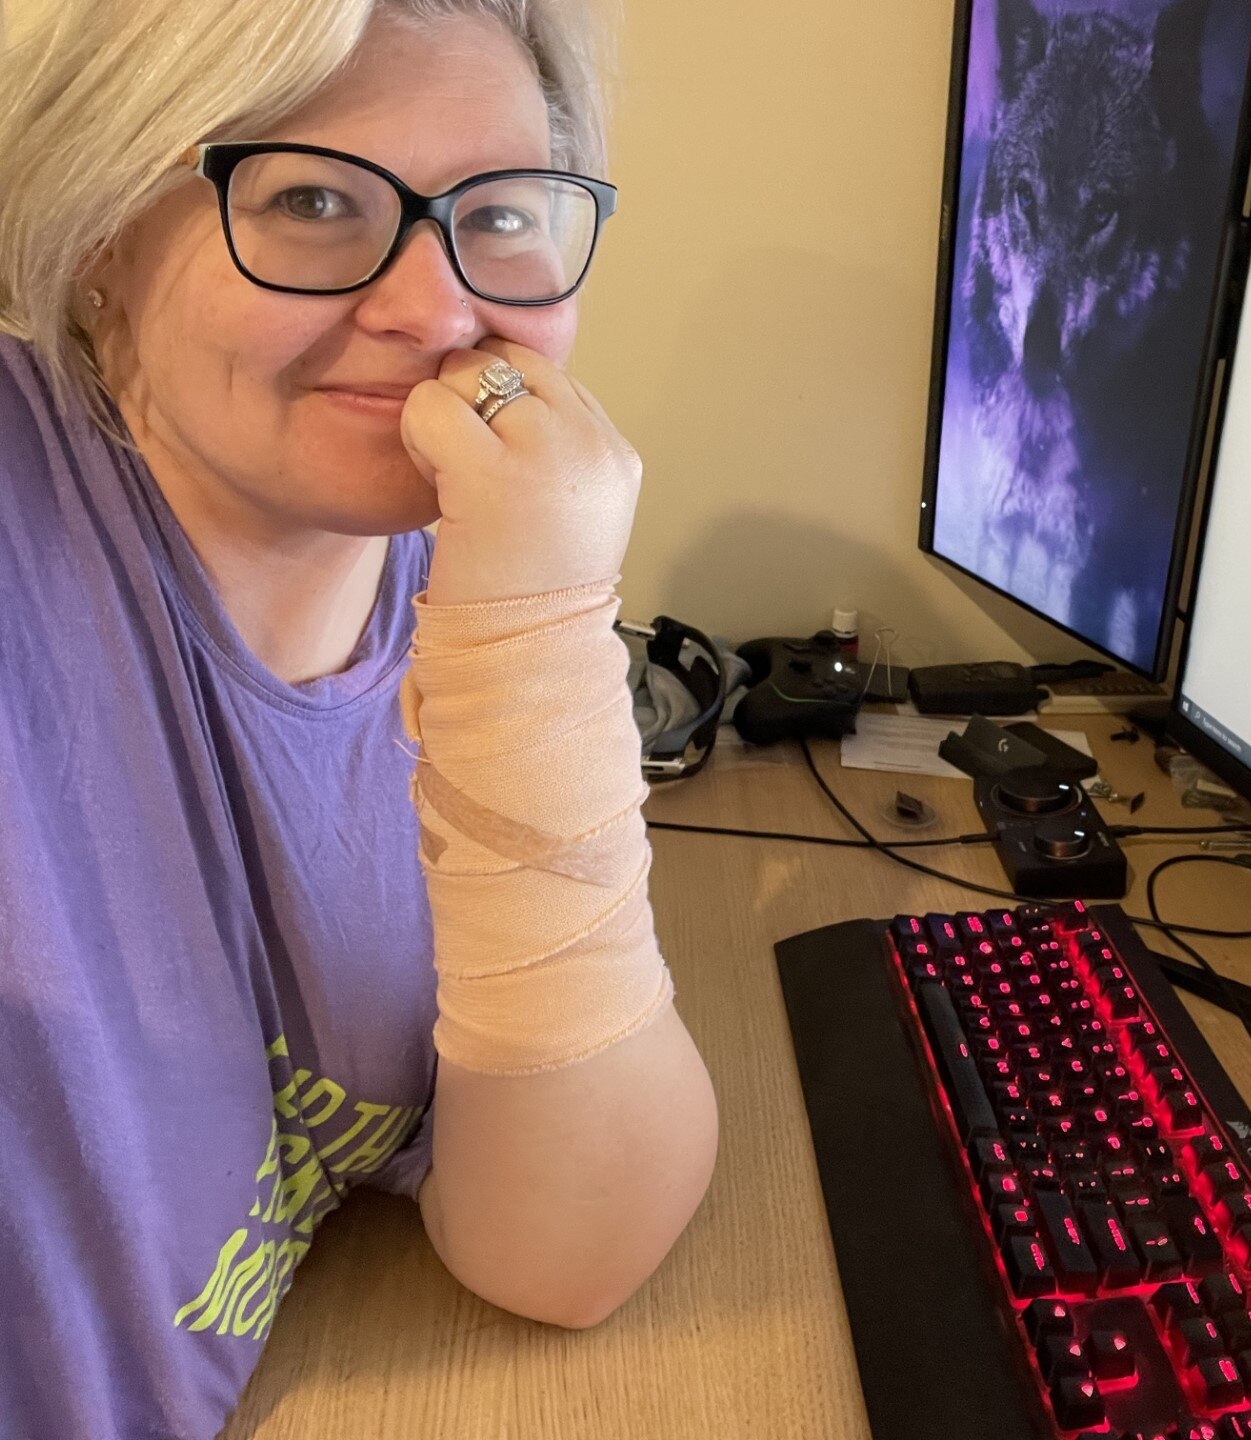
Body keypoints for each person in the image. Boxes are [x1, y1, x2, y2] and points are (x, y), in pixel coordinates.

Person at [0, 4, 719, 1437]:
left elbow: (560, 1256)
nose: (438, 312)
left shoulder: (474, 581)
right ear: (98, 243)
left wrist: (545, 635)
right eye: (313, 200)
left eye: (499, 213)